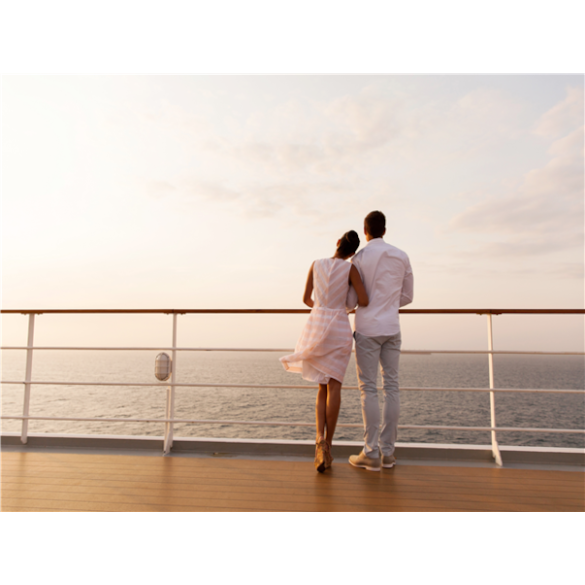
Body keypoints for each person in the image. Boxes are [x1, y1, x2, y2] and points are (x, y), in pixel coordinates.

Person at [280, 231, 369, 473]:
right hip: (338, 329)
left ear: (338, 243)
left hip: (316, 327)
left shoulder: (316, 264)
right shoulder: (350, 269)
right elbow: (363, 300)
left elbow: (306, 299)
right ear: (352, 253)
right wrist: (342, 307)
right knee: (335, 386)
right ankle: (328, 445)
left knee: (322, 387)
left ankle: (319, 439)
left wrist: (321, 308)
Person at [346, 211, 414, 472]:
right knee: (392, 387)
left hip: (367, 329)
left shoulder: (359, 258)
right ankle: (388, 453)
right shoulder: (401, 255)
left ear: (365, 232)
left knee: (369, 389)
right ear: (384, 230)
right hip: (391, 327)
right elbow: (408, 296)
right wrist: (388, 304)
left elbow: (352, 301)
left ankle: (371, 452)